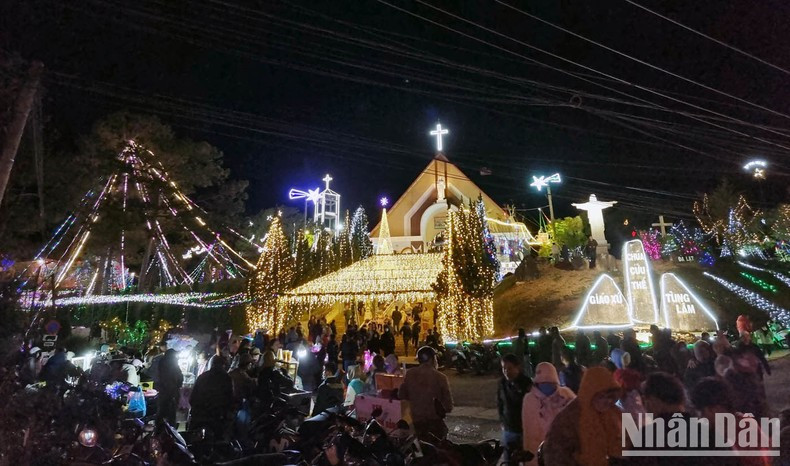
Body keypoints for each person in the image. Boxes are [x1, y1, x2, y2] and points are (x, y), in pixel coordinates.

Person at [543, 366, 622, 466]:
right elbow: (554, 456)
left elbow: (629, 446)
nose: (608, 401)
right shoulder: (569, 419)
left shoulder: (615, 414)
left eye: (611, 397)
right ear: (590, 394)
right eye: (601, 396)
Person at [521, 362, 575, 465]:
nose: (547, 386)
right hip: (539, 456)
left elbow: (578, 418)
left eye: (550, 383)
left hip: (564, 455)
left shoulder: (566, 395)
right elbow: (529, 434)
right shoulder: (530, 400)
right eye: (543, 383)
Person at [399, 346, 453, 441]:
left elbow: (401, 394)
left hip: (416, 423)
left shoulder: (410, 374)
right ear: (432, 359)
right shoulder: (441, 377)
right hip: (434, 425)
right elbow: (448, 406)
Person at [497, 354, 533, 463]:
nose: (506, 371)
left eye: (509, 368)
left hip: (524, 430)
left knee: (527, 459)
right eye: (504, 368)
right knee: (509, 460)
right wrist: (502, 421)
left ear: (518, 367)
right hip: (509, 429)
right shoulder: (502, 383)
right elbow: (500, 403)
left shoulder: (527, 383)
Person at [190, 355, 233, 438]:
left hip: (199, 415)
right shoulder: (226, 378)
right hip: (216, 417)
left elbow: (192, 398)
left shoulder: (202, 377)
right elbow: (229, 398)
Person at [157, 349, 184, 427]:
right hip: (172, 392)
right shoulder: (173, 364)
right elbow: (180, 378)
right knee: (171, 414)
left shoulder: (162, 362)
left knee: (162, 412)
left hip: (163, 391)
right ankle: (170, 432)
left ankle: (159, 430)